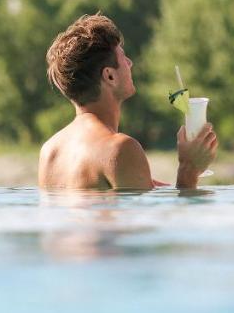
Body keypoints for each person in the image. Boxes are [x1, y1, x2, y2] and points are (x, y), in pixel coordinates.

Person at [39, 13, 217, 190]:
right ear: (110, 75)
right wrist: (189, 169)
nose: (130, 63)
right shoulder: (120, 149)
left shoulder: (49, 152)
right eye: (123, 57)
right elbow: (162, 219)